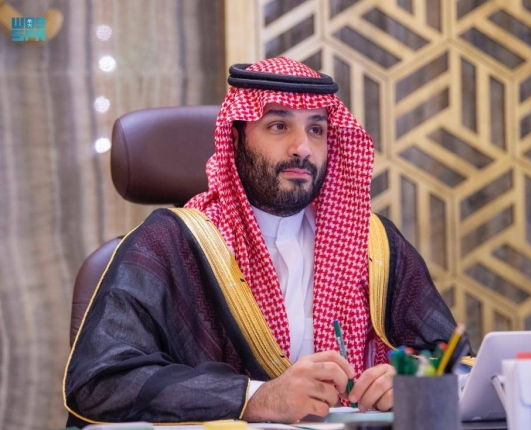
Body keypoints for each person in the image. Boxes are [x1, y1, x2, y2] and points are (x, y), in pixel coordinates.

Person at [63, 57, 462, 426]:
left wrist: (411, 379)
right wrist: (257, 398)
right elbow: (99, 382)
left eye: (316, 129)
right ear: (235, 140)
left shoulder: (373, 243)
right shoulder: (170, 242)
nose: (302, 148)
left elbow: (452, 358)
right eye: (278, 126)